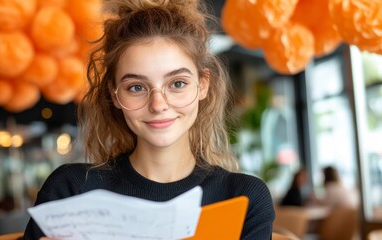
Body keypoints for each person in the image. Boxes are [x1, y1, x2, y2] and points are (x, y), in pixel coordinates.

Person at [23, 0, 275, 239]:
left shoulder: (243, 198)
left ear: (203, 85)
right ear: (114, 92)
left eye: (177, 83)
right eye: (136, 87)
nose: (158, 105)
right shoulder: (71, 190)